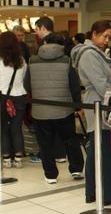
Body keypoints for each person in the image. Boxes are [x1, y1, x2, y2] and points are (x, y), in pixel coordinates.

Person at [71, 21, 111, 205]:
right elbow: (101, 84)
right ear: (94, 34)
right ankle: (105, 193)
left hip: (97, 102)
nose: (107, 40)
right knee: (100, 150)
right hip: (98, 103)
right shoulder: (89, 55)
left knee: (97, 149)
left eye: (109, 37)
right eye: (104, 36)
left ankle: (95, 191)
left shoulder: (93, 53)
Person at [24, 32, 84, 183]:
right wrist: (78, 106)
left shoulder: (32, 61)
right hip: (64, 110)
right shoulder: (66, 60)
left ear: (45, 43)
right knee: (70, 139)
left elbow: (27, 86)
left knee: (45, 143)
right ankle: (76, 169)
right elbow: (74, 86)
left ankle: (50, 175)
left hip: (40, 110)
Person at [0, 31, 27, 168]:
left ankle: (6, 158)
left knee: (3, 128)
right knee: (17, 127)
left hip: (3, 96)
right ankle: (18, 157)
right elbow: (23, 79)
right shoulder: (21, 60)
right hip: (20, 96)